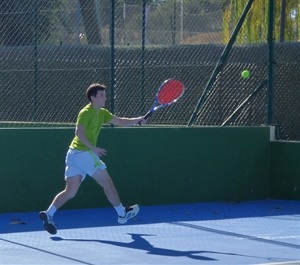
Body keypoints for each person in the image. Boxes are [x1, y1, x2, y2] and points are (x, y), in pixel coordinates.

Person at [39, 83, 146, 234]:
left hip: (73, 155)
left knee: (70, 191)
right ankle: (122, 214)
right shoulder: (86, 112)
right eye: (102, 95)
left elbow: (120, 121)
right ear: (93, 98)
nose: (105, 97)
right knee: (107, 182)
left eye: (105, 95)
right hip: (84, 153)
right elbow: (79, 132)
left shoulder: (102, 113)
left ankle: (48, 214)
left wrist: (138, 120)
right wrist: (93, 148)